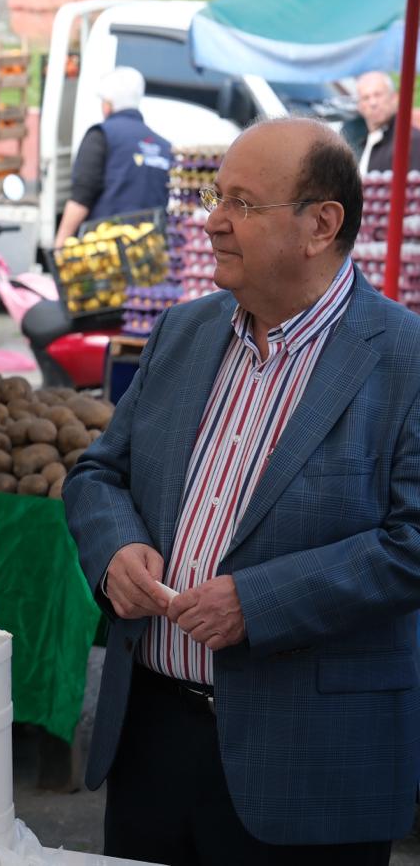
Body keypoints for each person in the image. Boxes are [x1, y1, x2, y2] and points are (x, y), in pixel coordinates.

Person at [64, 118, 420, 864]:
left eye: (243, 204)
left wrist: (255, 602)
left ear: (320, 224)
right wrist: (116, 546)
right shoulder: (184, 331)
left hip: (310, 761)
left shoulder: (403, 361)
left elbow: (410, 544)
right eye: (216, 197)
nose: (214, 221)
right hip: (152, 740)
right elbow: (99, 472)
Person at [53, 66, 172, 248]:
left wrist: (60, 244)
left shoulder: (101, 135)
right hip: (149, 254)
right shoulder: (163, 146)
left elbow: (82, 196)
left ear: (108, 105)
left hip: (107, 253)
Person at [352, 70, 420, 174]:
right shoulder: (359, 143)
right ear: (359, 106)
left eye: (378, 95)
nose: (373, 103)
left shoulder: (411, 140)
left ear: (394, 98)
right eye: (366, 98)